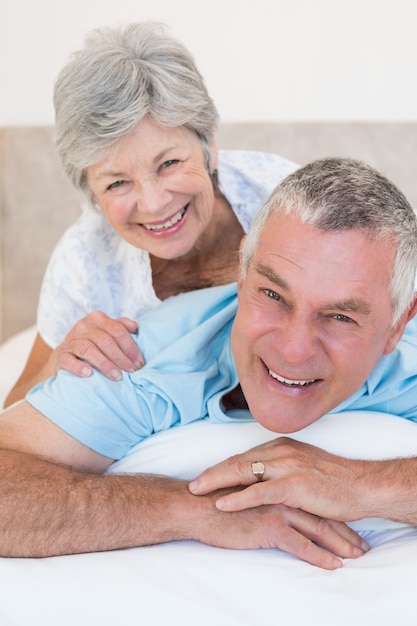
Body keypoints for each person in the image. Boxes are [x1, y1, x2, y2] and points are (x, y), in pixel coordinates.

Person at [1, 157, 417, 571]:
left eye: (340, 317)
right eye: (272, 295)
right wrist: (191, 510)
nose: (293, 350)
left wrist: (361, 484)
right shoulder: (143, 357)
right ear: (242, 273)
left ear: (397, 325)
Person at [3, 21, 296, 408]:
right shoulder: (83, 261)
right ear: (92, 193)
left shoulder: (288, 199)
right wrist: (60, 361)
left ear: (209, 145)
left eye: (169, 162)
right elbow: (13, 417)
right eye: (117, 183)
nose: (155, 203)